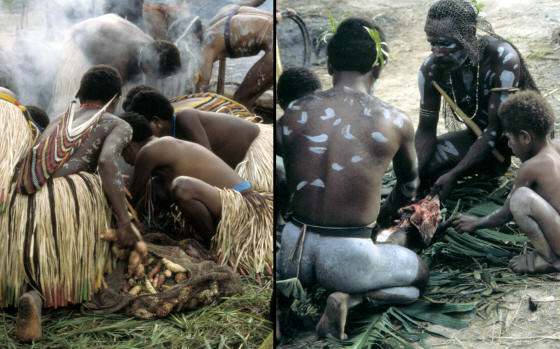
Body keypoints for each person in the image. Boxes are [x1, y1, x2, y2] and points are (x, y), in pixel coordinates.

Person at [276, 17, 428, 340]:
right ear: (379, 67)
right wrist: (385, 218)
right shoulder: (394, 121)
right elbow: (409, 188)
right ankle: (351, 298)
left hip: (292, 249)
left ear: (329, 64)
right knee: (418, 276)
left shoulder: (292, 113)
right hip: (348, 257)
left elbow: (285, 176)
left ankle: (284, 302)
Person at [12, 65, 140, 341]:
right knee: (96, 193)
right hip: (66, 199)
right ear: (116, 99)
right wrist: (124, 221)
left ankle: (32, 294)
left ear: (80, 94)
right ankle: (47, 294)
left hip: (23, 204)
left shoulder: (58, 118)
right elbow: (107, 163)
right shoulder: (118, 124)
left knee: (36, 253)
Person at [415, 0, 539, 200]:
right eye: (432, 43)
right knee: (425, 163)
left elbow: (496, 130)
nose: (436, 52)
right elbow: (425, 130)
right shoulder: (432, 70)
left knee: (537, 188)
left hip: (524, 140)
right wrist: (413, 177)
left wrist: (455, 175)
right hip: (480, 140)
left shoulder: (501, 58)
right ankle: (487, 169)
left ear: (470, 34)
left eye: (445, 44)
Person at [120, 112, 272, 274]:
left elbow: (132, 196)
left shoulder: (149, 151)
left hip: (243, 206)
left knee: (181, 187)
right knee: (162, 188)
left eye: (123, 154)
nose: (126, 161)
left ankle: (213, 248)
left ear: (130, 146)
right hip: (237, 204)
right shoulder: (164, 147)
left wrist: (121, 222)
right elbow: (148, 197)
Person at [453, 91, 560, 274]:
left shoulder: (530, 167)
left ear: (525, 138)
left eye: (510, 138)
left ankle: (551, 260)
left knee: (521, 198)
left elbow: (506, 213)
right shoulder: (556, 147)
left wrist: (476, 223)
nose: (509, 145)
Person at [128, 89, 273, 192]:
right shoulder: (172, 138)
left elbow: (207, 157)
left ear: (156, 122)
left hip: (258, 152)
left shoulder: (185, 118)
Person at [50, 14, 181, 115]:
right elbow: (103, 104)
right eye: (156, 75)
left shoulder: (152, 47)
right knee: (84, 103)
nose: (155, 79)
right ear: (150, 67)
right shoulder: (119, 63)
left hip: (108, 25)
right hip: (78, 41)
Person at [195, 2, 272, 110]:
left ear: (193, 38)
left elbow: (202, 87)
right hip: (274, 26)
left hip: (272, 44)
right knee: (249, 99)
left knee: (239, 101)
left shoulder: (209, 42)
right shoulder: (225, 10)